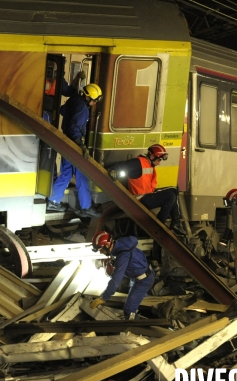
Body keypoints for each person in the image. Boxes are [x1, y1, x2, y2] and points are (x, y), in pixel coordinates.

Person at [46, 72, 102, 218]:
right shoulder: (83, 108)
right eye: (94, 100)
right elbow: (75, 127)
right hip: (73, 144)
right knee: (82, 175)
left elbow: (63, 111)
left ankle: (53, 201)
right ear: (88, 97)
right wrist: (80, 145)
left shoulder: (75, 100)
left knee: (66, 173)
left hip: (66, 142)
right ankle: (86, 207)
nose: (94, 103)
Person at [107, 144, 186, 235]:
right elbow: (123, 165)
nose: (159, 163)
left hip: (148, 195)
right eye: (158, 160)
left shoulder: (148, 164)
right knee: (170, 196)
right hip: (141, 199)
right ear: (152, 156)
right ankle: (159, 224)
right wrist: (113, 170)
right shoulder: (138, 163)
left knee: (174, 190)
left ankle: (176, 223)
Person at [89, 231, 155, 320]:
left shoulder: (123, 255)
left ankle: (137, 327)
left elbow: (116, 280)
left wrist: (103, 298)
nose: (101, 253)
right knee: (136, 298)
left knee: (129, 310)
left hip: (143, 281)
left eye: (101, 250)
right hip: (143, 274)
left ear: (108, 245)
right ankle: (145, 306)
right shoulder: (120, 243)